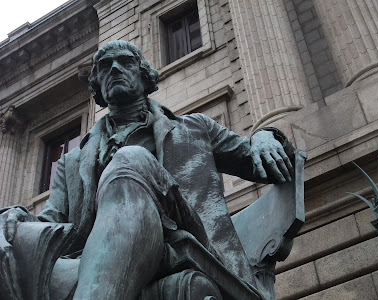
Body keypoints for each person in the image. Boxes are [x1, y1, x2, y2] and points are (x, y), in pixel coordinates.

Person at [0, 40, 294, 299]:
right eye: (104, 66)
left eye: (125, 62)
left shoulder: (195, 128)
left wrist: (265, 135)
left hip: (187, 244)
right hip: (93, 257)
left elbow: (263, 165)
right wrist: (15, 217)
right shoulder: (71, 162)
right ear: (98, 85)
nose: (114, 69)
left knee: (131, 158)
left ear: (144, 75)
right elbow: (52, 222)